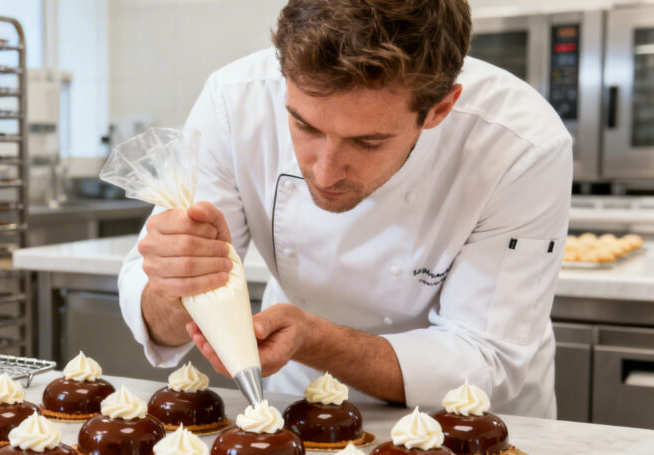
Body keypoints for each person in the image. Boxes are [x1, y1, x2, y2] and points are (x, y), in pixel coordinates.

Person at [117, 0, 571, 418]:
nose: (326, 171)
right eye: (304, 125)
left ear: (439, 109)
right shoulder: (235, 104)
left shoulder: (521, 143)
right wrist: (177, 281)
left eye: (367, 142)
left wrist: (315, 338)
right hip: (297, 400)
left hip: (470, 426)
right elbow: (160, 316)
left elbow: (487, 358)